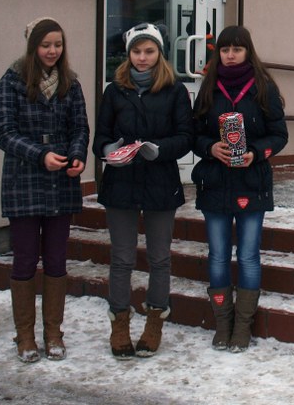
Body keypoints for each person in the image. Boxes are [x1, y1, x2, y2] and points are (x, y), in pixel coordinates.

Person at [93, 22, 194, 358]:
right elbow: (100, 137)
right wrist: (109, 150)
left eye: (149, 51)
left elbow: (186, 137)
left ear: (159, 53)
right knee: (121, 258)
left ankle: (154, 323)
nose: (142, 57)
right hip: (120, 183)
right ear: (128, 54)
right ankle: (119, 324)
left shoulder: (175, 90)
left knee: (159, 258)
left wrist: (159, 150)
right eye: (136, 51)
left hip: (159, 183)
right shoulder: (114, 91)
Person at [0, 17, 89, 363]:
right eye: (46, 45)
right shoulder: (12, 81)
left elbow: (80, 128)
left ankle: (53, 333)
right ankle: (25, 335)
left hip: (61, 181)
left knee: (56, 259)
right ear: (33, 46)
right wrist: (40, 155)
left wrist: (77, 156)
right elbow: (4, 132)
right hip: (24, 181)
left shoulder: (70, 84)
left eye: (58, 45)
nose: (52, 51)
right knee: (24, 259)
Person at [192, 26, 288, 352]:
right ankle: (223, 324)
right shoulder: (209, 87)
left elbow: (279, 135)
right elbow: (193, 133)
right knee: (218, 255)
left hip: (252, 182)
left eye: (237, 49)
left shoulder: (264, 87)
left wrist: (257, 153)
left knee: (247, 256)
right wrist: (210, 148)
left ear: (248, 51)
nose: (230, 55)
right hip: (215, 183)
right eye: (224, 50)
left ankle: (243, 326)